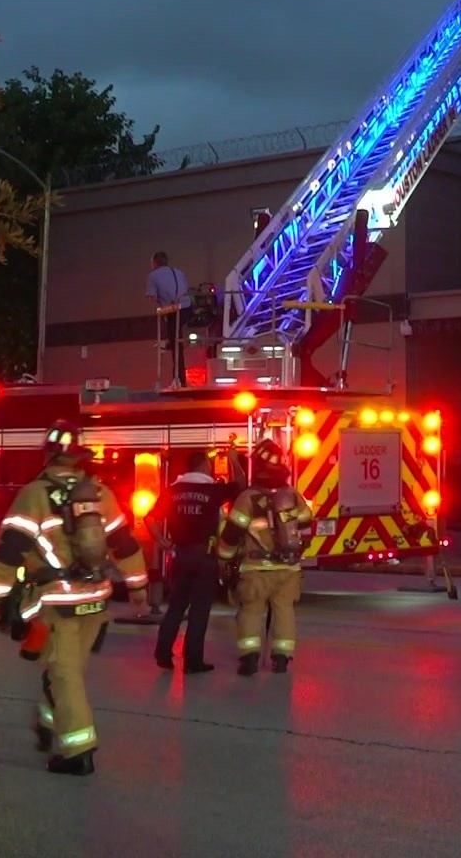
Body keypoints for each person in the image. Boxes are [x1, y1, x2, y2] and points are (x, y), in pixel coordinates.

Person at [0, 420, 149, 776]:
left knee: (64, 673)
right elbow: (123, 543)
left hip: (57, 602)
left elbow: (10, 550)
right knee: (65, 668)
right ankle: (47, 722)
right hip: (96, 599)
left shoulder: (35, 494)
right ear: (78, 458)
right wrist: (138, 586)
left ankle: (78, 751)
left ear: (48, 454)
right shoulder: (99, 493)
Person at [213, 439, 312, 675]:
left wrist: (224, 557)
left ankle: (250, 657)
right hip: (288, 569)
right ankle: (281, 658)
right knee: (284, 610)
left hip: (256, 568)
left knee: (251, 610)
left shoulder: (248, 498)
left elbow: (233, 532)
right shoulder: (291, 494)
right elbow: (307, 520)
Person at [152, 450, 237, 673]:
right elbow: (241, 484)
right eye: (208, 465)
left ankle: (163, 654)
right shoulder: (212, 490)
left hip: (180, 556)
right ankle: (192, 661)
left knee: (176, 607)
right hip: (205, 557)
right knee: (200, 610)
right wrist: (235, 460)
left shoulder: (173, 490)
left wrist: (161, 540)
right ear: (202, 467)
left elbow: (149, 517)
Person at [146, 251, 191, 387]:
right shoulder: (178, 272)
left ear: (154, 263)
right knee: (178, 341)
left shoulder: (153, 276)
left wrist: (161, 301)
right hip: (188, 308)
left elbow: (152, 298)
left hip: (173, 310)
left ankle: (179, 380)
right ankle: (169, 344)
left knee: (177, 345)